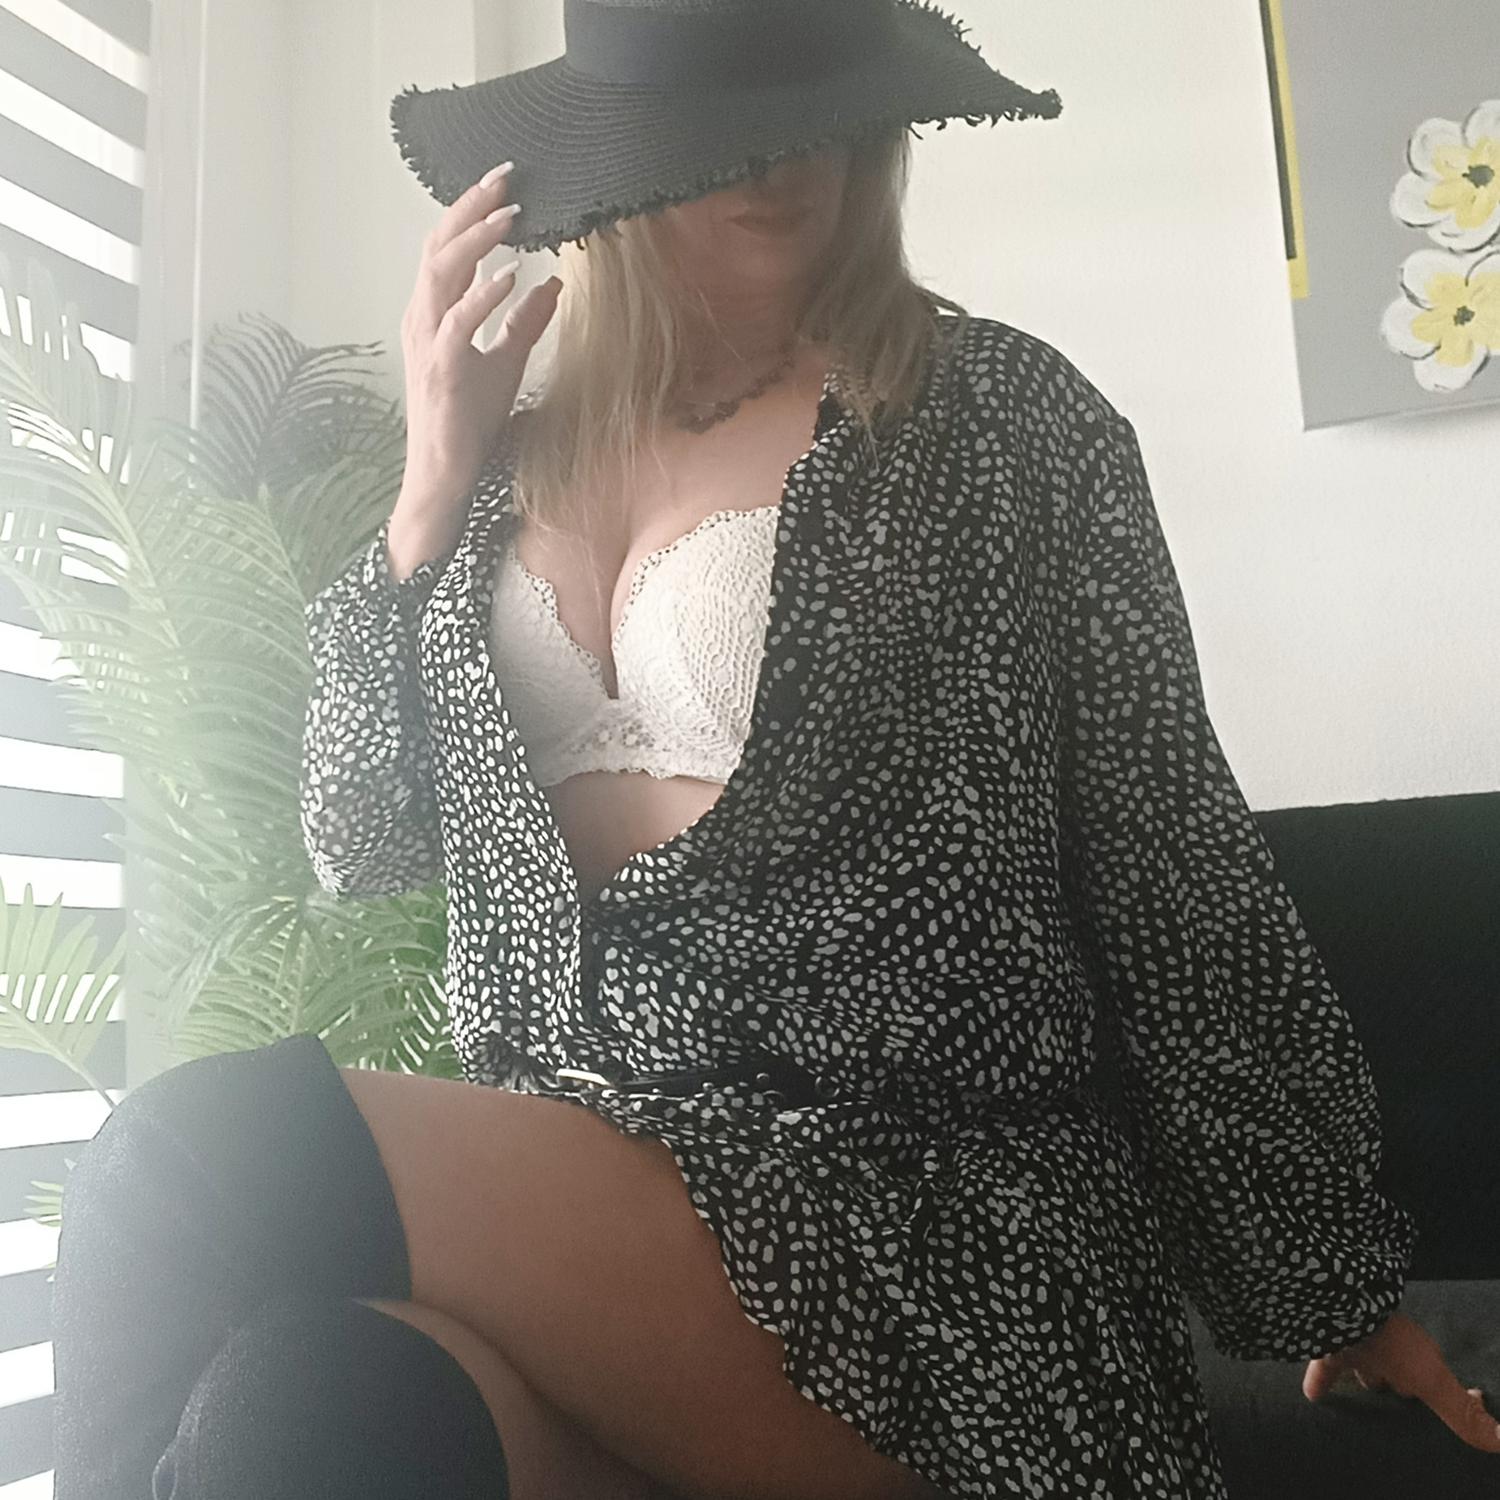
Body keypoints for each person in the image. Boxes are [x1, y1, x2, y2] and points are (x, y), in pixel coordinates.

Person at [48, 3, 1500, 1498]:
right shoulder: (495, 473)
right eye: (720, 124)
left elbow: (1172, 863)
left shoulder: (1002, 421)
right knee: (314, 1410)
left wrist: (1329, 1281)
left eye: (820, 107)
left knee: (190, 1161)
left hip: (913, 1225)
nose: (786, 158)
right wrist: (428, 487)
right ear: (616, 155)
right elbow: (360, 839)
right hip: (589, 1209)